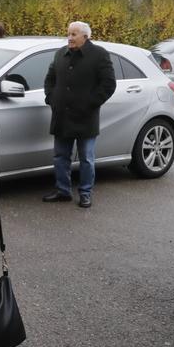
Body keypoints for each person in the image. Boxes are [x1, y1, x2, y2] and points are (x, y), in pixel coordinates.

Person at [42, 21, 116, 208]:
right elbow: (50, 79)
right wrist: (51, 98)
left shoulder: (99, 54)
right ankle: (63, 191)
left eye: (74, 34)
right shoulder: (60, 53)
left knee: (86, 159)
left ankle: (85, 193)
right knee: (60, 157)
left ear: (85, 36)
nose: (69, 38)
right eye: (68, 34)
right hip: (61, 116)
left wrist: (90, 103)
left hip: (86, 116)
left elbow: (109, 84)